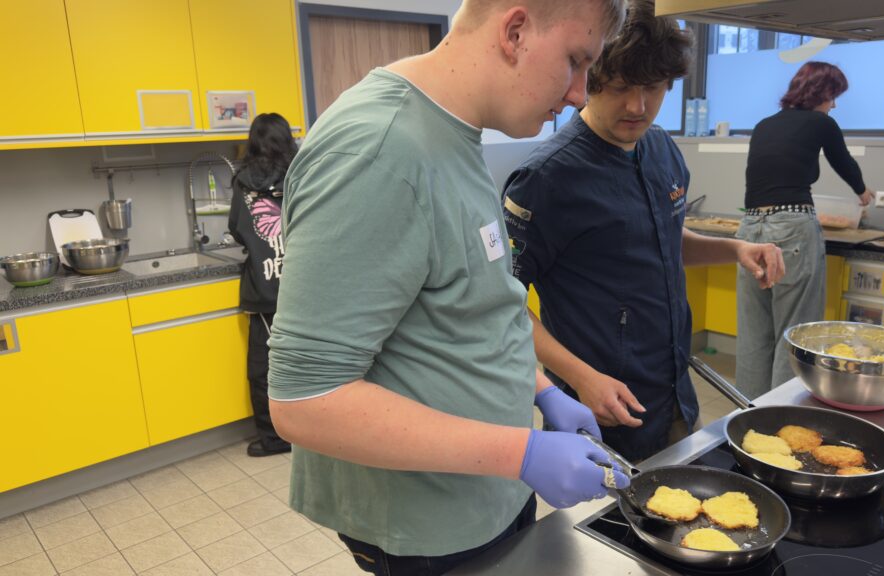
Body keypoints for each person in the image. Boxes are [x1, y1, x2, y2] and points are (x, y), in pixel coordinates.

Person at [266, 2, 630, 575]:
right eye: (575, 62)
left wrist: (542, 391)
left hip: (488, 487)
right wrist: (524, 450)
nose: (580, 94)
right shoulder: (379, 150)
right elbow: (306, 402)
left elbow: (471, 305)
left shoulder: (453, 132)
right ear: (515, 31)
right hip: (425, 526)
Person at [502, 0, 785, 463]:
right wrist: (579, 377)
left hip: (672, 392)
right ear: (589, 77)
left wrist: (735, 248)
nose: (637, 106)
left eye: (652, 88)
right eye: (619, 88)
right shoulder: (547, 179)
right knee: (608, 533)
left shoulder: (660, 149)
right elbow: (502, 305)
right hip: (597, 412)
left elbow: (664, 244)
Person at [736, 62, 875, 398]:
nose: (835, 104)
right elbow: (843, 161)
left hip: (750, 227)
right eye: (833, 96)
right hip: (792, 227)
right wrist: (863, 193)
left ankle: (747, 414)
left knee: (754, 333)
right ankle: (781, 415)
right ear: (822, 92)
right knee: (794, 331)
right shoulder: (821, 122)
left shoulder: (764, 125)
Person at [228, 112, 294, 457]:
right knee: (312, 358)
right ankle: (314, 429)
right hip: (303, 285)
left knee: (263, 368)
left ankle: (274, 437)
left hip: (266, 290)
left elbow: (238, 227)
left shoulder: (243, 182)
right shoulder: (303, 175)